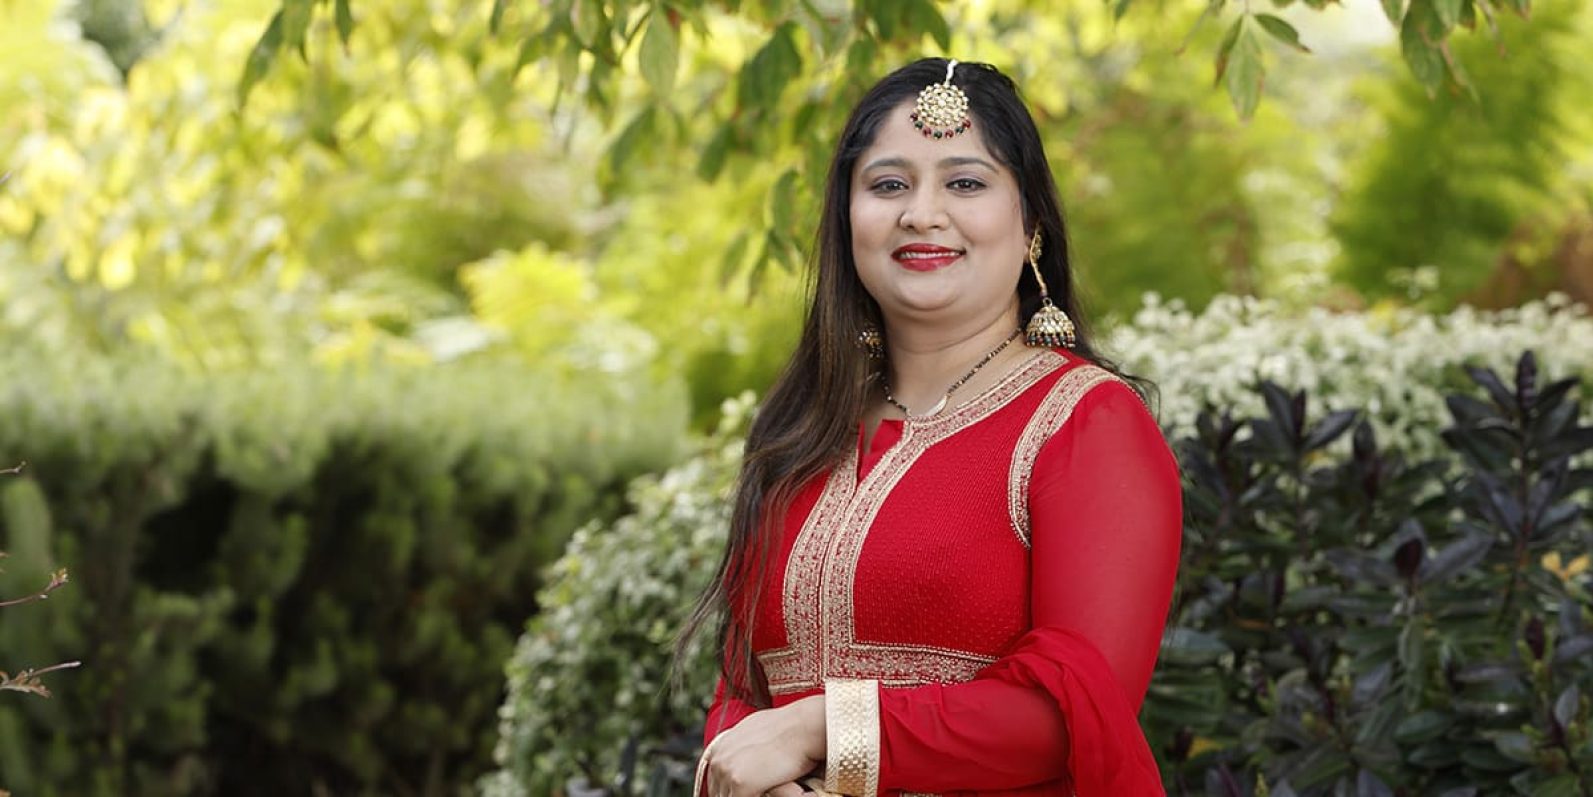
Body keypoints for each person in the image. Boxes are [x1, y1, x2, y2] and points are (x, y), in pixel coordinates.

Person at [682, 58, 1182, 797]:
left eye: (965, 183)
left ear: (1031, 224)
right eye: (888, 185)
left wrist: (819, 729)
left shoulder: (1084, 423)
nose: (921, 213)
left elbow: (1075, 709)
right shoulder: (801, 430)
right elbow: (741, 689)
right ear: (847, 218)